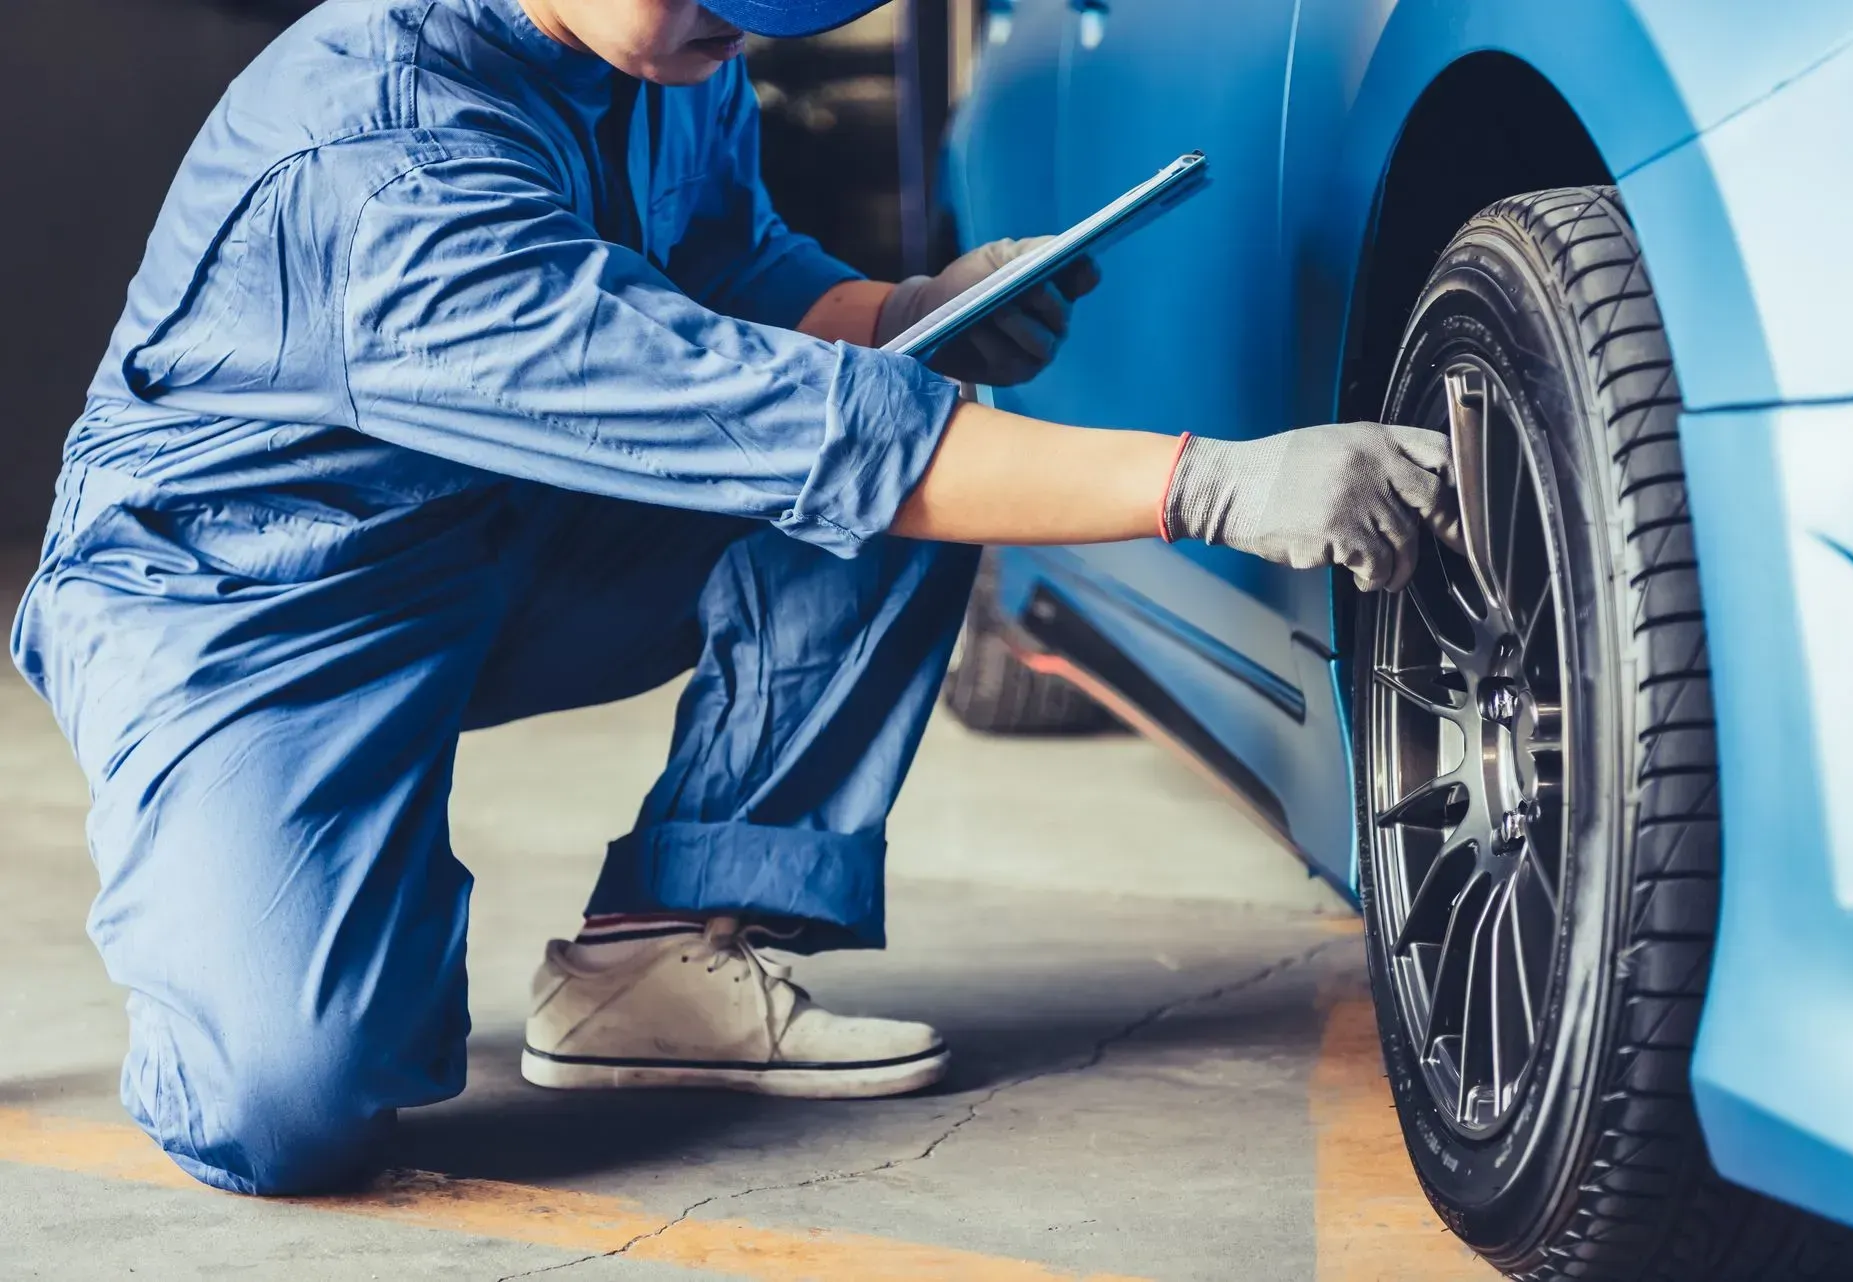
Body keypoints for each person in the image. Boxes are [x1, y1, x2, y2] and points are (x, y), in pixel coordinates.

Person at [10, 0, 1458, 1198]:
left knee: (898, 403)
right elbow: (782, 428)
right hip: (252, 605)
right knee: (292, 1106)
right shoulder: (384, 163)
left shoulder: (666, 51)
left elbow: (725, 270)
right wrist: (1206, 483)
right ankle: (206, 918)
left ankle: (664, 957)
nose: (734, 25)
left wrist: (902, 312)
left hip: (505, 530)